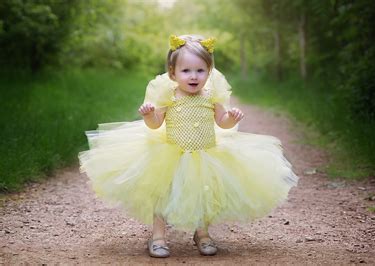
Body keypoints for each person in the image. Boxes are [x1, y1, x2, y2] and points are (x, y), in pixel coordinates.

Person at [78, 34, 298, 258]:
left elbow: (222, 123)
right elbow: (156, 125)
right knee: (162, 193)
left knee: (204, 193)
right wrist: (149, 116)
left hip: (205, 154)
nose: (193, 76)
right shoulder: (169, 95)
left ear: (209, 71)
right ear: (173, 72)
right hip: (172, 154)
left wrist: (232, 118)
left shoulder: (211, 95)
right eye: (186, 71)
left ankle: (202, 234)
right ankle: (158, 236)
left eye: (200, 71)